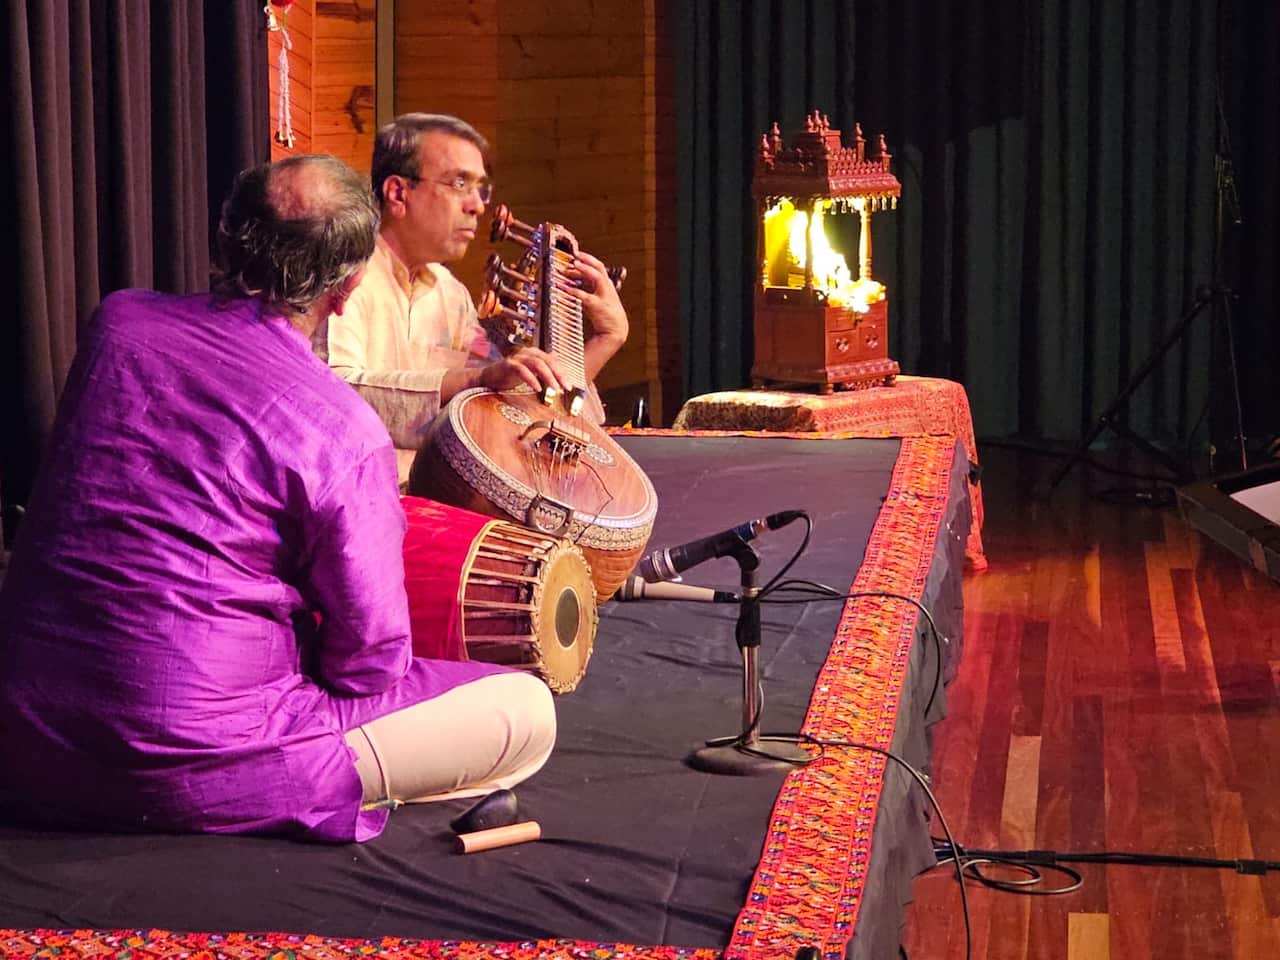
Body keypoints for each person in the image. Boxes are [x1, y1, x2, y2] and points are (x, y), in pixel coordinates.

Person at [0, 155, 555, 843]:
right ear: (348, 289)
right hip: (186, 763)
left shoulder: (118, 324)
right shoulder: (344, 430)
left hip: (25, 737)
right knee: (526, 709)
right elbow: (369, 663)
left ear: (227, 237)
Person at [311, 113, 629, 483]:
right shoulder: (347, 275)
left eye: (480, 188)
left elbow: (521, 416)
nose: (477, 206)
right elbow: (337, 397)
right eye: (459, 183)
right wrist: (475, 379)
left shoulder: (451, 294)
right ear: (398, 193)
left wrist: (606, 340)